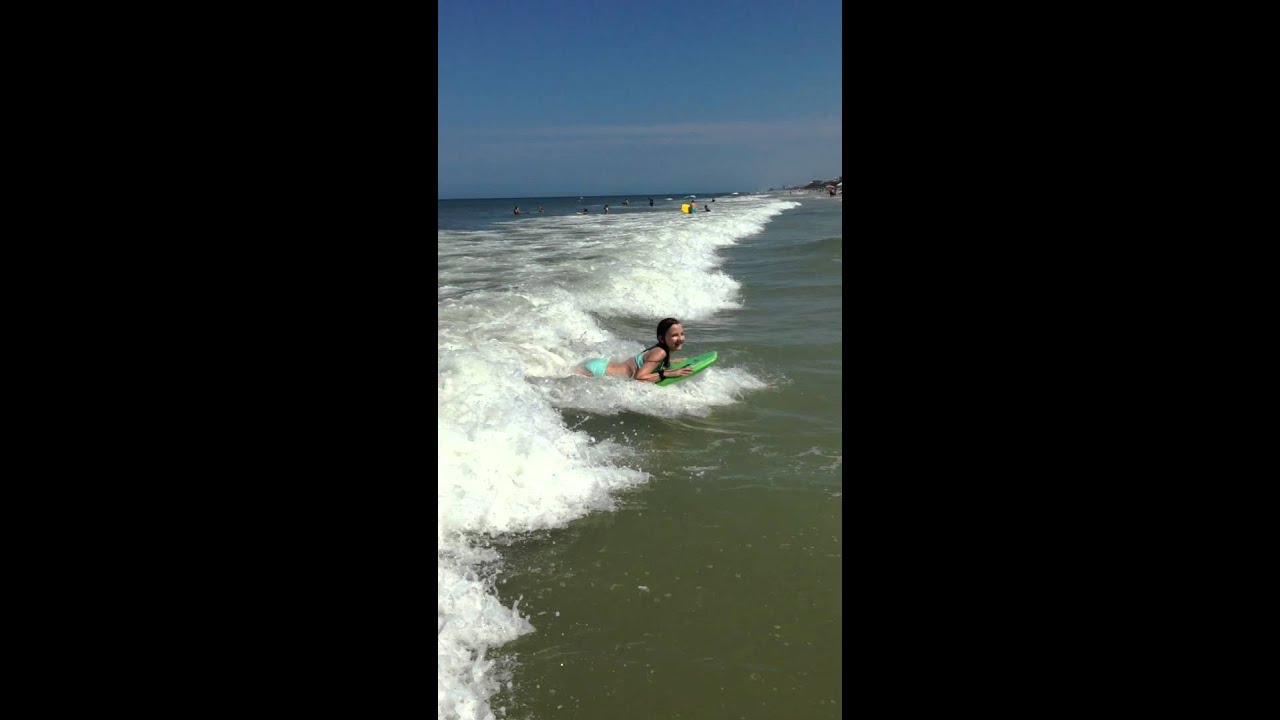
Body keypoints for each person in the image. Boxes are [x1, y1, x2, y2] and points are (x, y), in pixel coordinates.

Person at [575, 318, 694, 383]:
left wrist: (673, 363)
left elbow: (652, 364)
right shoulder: (660, 352)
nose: (680, 339)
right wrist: (669, 373)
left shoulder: (660, 350)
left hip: (601, 365)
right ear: (661, 338)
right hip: (599, 371)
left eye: (682, 334)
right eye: (675, 335)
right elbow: (640, 377)